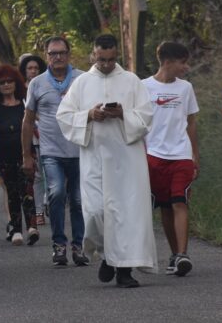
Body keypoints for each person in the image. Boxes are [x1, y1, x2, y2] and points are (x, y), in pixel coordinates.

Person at [56, 34, 156, 288]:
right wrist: (89, 115)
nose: (106, 65)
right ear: (93, 54)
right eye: (101, 59)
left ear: (116, 56)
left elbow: (146, 116)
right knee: (95, 213)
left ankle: (124, 270)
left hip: (127, 159)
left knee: (127, 215)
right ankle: (107, 256)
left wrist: (123, 114)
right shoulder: (81, 83)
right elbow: (64, 116)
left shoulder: (131, 81)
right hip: (95, 157)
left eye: (111, 60)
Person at [22, 37, 88, 266]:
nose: (57, 57)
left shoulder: (82, 79)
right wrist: (26, 155)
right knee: (57, 192)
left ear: (69, 54)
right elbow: (28, 121)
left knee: (79, 201)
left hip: (80, 150)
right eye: (53, 53)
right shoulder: (37, 83)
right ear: (46, 55)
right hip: (51, 151)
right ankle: (59, 245)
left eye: (61, 53)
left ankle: (78, 246)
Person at [143, 42, 200, 276]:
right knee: (165, 207)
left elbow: (191, 122)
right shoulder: (143, 86)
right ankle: (175, 253)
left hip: (181, 155)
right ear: (167, 62)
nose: (185, 67)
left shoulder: (185, 88)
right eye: (182, 62)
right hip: (153, 155)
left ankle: (183, 254)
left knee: (180, 201)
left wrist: (195, 155)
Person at [0, 65, 37, 246]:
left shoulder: (25, 103)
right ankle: (16, 230)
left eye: (10, 81)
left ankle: (32, 227)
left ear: (16, 83)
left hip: (25, 154)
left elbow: (34, 124)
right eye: (2, 82)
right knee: (13, 192)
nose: (7, 85)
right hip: (4, 156)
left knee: (27, 190)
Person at [18, 54, 47, 226]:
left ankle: (48, 203)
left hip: (48, 135)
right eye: (30, 68)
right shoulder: (20, 90)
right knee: (36, 176)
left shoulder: (46, 85)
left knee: (51, 174)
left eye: (36, 68)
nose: (33, 71)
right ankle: (38, 211)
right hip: (31, 136)